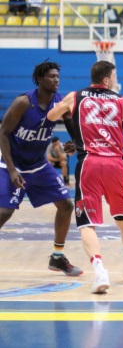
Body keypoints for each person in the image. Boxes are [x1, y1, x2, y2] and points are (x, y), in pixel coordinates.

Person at [47, 61, 123, 294]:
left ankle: (100, 271)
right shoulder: (121, 101)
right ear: (107, 80)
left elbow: (51, 116)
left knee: (86, 223)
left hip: (89, 163)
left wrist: (66, 112)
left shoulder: (75, 96)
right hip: (115, 164)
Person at [0, 61, 82, 278]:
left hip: (38, 165)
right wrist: (11, 170)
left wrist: (73, 142)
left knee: (66, 206)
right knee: (4, 212)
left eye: (58, 76)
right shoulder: (23, 103)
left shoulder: (59, 101)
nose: (56, 80)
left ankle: (57, 257)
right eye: (52, 76)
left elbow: (70, 123)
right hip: (13, 164)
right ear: (40, 79)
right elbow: (3, 133)